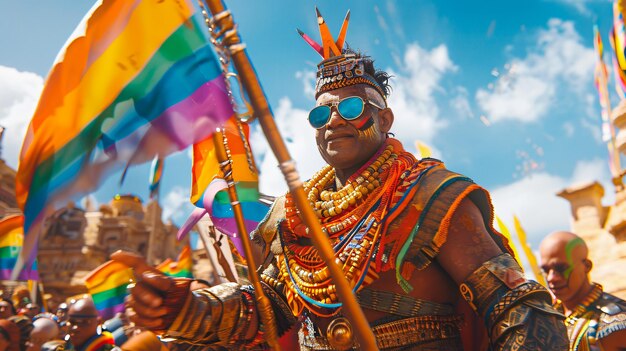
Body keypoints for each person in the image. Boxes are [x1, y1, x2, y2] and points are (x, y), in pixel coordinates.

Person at [113, 9, 568, 350]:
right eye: (321, 113)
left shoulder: (431, 196)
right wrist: (188, 309)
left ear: (384, 117)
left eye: (351, 108)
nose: (334, 121)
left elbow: (516, 306)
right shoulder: (292, 215)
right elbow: (268, 308)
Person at [540, 231, 626, 351]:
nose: (551, 278)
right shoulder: (546, 320)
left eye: (561, 268)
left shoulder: (615, 321)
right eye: (545, 270)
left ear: (586, 266)